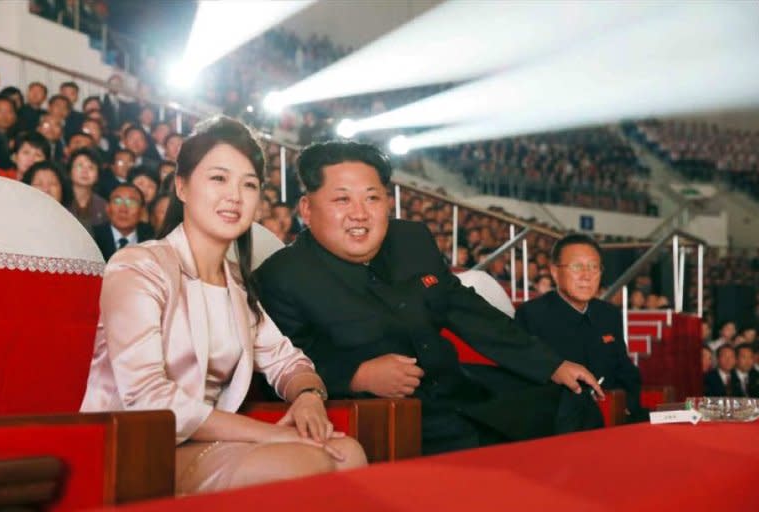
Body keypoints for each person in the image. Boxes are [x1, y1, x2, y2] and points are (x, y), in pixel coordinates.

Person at [255, 140, 603, 455]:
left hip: (456, 387)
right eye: (342, 199)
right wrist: (356, 375)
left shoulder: (411, 239)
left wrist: (551, 364)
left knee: (569, 401)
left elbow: (465, 309)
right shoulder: (281, 277)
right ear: (307, 208)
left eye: (372, 197)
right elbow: (277, 369)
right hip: (387, 414)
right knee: (478, 447)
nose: (360, 213)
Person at [81, 116, 366, 495]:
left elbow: (288, 362)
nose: (235, 195)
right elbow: (149, 399)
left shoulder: (236, 284)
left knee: (350, 454)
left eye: (248, 184)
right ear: (181, 186)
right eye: (218, 179)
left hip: (203, 443)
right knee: (306, 462)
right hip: (136, 448)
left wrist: (308, 397)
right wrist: (268, 437)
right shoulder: (139, 266)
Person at [515, 234, 648, 422]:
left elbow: (625, 372)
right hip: (559, 423)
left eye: (594, 267)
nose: (586, 276)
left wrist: (626, 406)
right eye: (577, 267)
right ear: (555, 272)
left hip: (610, 417)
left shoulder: (608, 314)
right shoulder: (532, 315)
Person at [92, 183, 154, 261]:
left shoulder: (152, 242)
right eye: (117, 201)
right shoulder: (92, 237)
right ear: (107, 208)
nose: (123, 210)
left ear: (142, 211)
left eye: (131, 203)